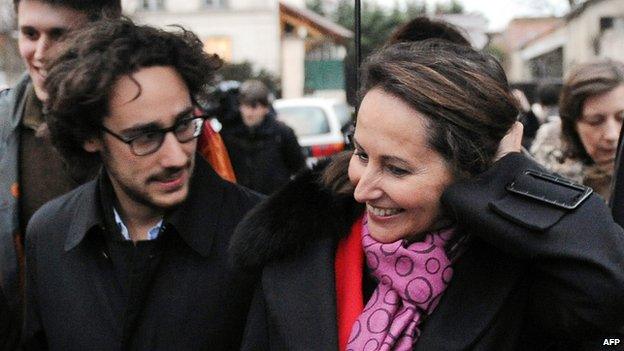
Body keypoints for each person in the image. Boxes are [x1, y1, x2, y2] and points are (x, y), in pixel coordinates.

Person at [230, 40, 624, 350]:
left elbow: (605, 290)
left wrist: (508, 172)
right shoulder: (299, 254)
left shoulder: (522, 276)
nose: (363, 188)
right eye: (362, 154)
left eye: (397, 168)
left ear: (473, 174)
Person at [22, 19, 262, 349]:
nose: (176, 157)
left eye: (183, 125)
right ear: (90, 135)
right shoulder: (49, 235)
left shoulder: (259, 234)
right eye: (146, 137)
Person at [0, 0, 121, 341]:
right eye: (29, 33)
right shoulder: (2, 127)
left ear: (103, 34)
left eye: (59, 34)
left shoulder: (152, 124)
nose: (40, 53)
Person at [531, 60, 624, 200]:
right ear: (573, 126)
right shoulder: (546, 190)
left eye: (622, 118)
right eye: (595, 121)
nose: (612, 135)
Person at [221, 79, 305, 194]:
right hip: (241, 203)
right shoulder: (229, 133)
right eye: (244, 105)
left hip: (272, 203)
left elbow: (299, 167)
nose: (249, 112)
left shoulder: (282, 133)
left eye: (254, 106)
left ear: (265, 108)